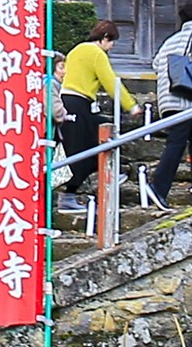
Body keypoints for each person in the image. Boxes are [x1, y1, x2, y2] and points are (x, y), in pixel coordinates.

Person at [55, 19, 135, 212]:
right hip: (79, 104)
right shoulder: (96, 53)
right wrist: (131, 105)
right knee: (91, 145)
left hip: (68, 102)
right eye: (112, 41)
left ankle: (73, 192)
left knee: (82, 147)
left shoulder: (76, 50)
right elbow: (110, 82)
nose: (112, 46)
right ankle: (72, 194)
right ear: (105, 38)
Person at [147, 0, 192, 209]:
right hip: (185, 98)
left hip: (169, 97)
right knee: (177, 142)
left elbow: (156, 64)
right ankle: (158, 187)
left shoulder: (173, 39)